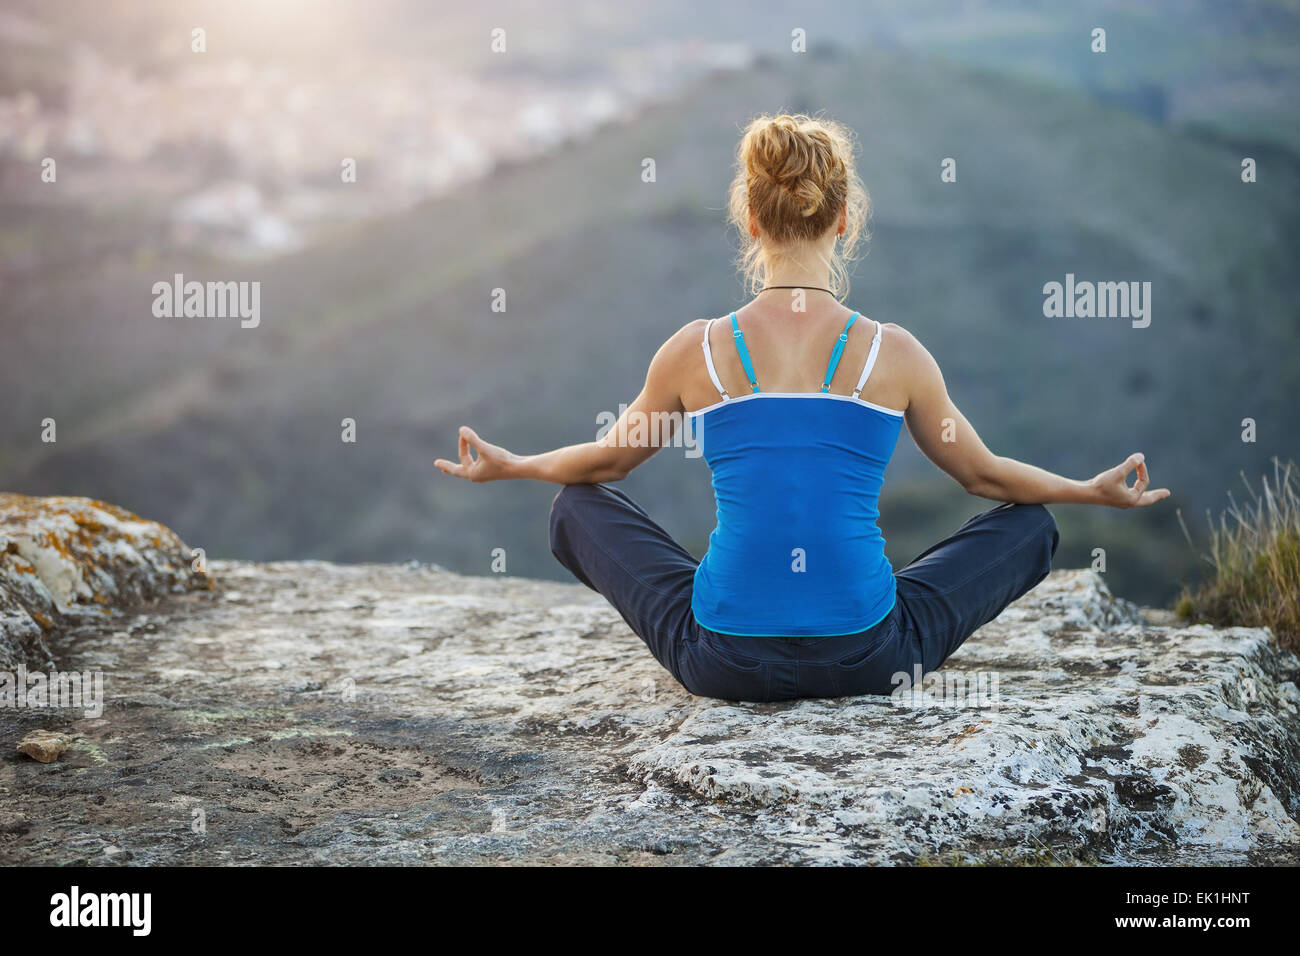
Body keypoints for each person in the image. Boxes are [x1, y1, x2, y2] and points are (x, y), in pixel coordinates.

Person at [436, 113, 1169, 702]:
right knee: (1031, 526)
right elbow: (984, 478)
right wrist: (1086, 493)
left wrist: (516, 466)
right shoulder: (896, 354)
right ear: (844, 220)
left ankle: (746, 603)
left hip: (722, 662)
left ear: (750, 221)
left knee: (574, 506)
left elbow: (606, 464)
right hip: (870, 658)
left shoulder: (696, 351)